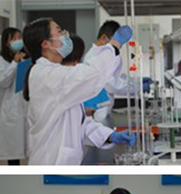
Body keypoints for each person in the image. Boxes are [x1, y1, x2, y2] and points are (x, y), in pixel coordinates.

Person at [22, 18, 136, 165]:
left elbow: (78, 122)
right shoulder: (47, 75)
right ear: (46, 44)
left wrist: (109, 136)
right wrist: (114, 45)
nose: (65, 34)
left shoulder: (54, 73)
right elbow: (91, 74)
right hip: (50, 163)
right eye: (59, 31)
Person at [84, 20, 152, 123]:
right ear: (103, 38)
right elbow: (113, 85)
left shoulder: (101, 55)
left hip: (102, 111)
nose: (118, 46)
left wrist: (137, 81)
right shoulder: (95, 57)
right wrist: (138, 87)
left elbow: (116, 78)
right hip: (97, 114)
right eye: (115, 42)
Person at [0, 27, 27, 165]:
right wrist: (14, 63)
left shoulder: (24, 58)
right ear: (6, 42)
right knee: (13, 153)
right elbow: (3, 82)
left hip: (24, 107)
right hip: (10, 108)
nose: (18, 41)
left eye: (19, 38)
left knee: (26, 148)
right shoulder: (1, 60)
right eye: (14, 38)